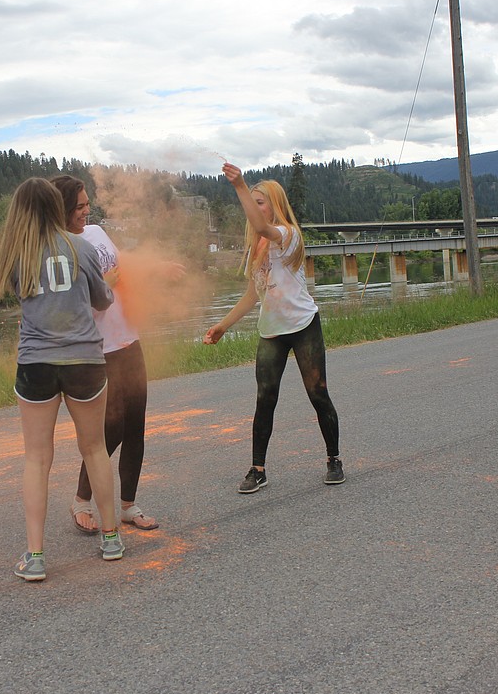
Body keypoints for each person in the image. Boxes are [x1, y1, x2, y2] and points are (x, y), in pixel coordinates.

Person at [0, 177, 124, 582]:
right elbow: (101, 300)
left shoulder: (16, 256)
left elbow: (22, 296)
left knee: (37, 457)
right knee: (94, 448)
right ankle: (111, 539)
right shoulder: (81, 247)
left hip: (36, 364)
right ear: (55, 207)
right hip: (85, 361)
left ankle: (36, 556)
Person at [51, 174, 183, 534]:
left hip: (128, 339)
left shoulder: (95, 234)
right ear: (61, 208)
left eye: (87, 203)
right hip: (99, 348)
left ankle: (129, 505)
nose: (86, 211)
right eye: (78, 206)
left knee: (135, 424)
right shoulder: (59, 249)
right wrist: (101, 287)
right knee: (108, 430)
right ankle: (81, 500)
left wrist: (158, 268)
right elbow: (65, 306)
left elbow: (121, 263)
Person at [203, 162, 344, 493]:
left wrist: (239, 186)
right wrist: (223, 325)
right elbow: (254, 294)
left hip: (303, 325)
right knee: (265, 397)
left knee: (317, 392)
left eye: (260, 201)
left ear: (275, 205)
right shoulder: (259, 248)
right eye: (253, 201)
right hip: (272, 331)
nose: (255, 206)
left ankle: (334, 459)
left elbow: (263, 227)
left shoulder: (287, 235)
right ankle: (258, 469)